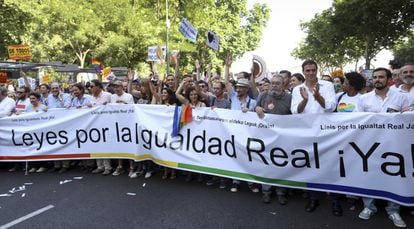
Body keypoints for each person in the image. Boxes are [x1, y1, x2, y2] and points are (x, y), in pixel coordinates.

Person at [357, 67, 409, 228]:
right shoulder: (364, 99)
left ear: (388, 79)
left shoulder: (402, 97)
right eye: (375, 77)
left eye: (381, 77)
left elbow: (408, 119)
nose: (378, 80)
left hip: (395, 145)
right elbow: (356, 122)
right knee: (369, 174)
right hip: (369, 145)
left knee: (394, 175)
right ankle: (368, 207)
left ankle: (393, 210)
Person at [290, 60, 338, 215]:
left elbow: (331, 107)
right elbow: (295, 112)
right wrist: (305, 100)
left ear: (317, 70)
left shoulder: (327, 86)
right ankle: (313, 198)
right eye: (307, 70)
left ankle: (335, 200)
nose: (311, 73)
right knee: (311, 165)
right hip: (307, 133)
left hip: (325, 133)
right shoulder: (297, 89)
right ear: (303, 71)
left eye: (313, 70)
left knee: (330, 166)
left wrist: (318, 97)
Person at [255, 74, 292, 205]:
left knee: (281, 165)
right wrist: (257, 108)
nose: (274, 85)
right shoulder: (263, 96)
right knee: (267, 164)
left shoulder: (290, 98)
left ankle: (281, 192)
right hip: (266, 137)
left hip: (283, 138)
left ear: (283, 85)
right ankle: (266, 191)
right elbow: (255, 109)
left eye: (278, 83)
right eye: (273, 83)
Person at [89, 79, 113, 176]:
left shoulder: (108, 96)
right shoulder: (91, 98)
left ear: (98, 87)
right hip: (95, 125)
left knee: (104, 145)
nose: (90, 88)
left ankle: (108, 167)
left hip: (106, 124)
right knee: (96, 145)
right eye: (89, 87)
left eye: (92, 86)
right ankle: (100, 166)